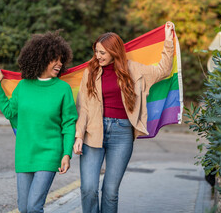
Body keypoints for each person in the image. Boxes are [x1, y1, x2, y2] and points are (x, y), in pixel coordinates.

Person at [73, 22, 175, 213]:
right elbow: (83, 107)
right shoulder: (90, 71)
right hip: (93, 132)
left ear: (114, 51)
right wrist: (78, 136)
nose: (98, 56)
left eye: (102, 52)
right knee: (88, 189)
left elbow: (164, 70)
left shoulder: (133, 70)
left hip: (122, 134)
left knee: (110, 191)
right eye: (96, 51)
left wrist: (168, 41)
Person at [0, 31, 78, 213]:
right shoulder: (23, 86)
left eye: (62, 60)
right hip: (25, 153)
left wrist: (66, 153)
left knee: (34, 207)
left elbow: (69, 123)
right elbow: (9, 112)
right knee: (24, 208)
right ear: (42, 58)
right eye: (55, 59)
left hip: (50, 153)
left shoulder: (63, 89)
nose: (60, 64)